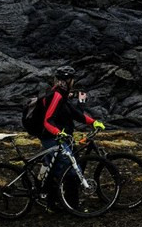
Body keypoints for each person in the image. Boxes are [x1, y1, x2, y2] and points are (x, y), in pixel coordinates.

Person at [39, 65, 106, 206]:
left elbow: (75, 113)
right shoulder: (56, 95)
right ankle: (66, 205)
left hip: (62, 136)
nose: (74, 82)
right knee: (70, 170)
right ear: (68, 80)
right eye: (72, 79)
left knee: (65, 167)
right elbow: (47, 121)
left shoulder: (62, 95)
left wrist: (93, 122)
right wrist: (59, 133)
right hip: (53, 137)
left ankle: (61, 201)